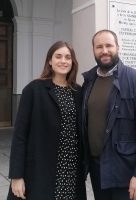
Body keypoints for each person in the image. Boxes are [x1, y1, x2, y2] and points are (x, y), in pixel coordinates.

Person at [81, 30, 136, 200]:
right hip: (97, 169)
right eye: (99, 46)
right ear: (93, 50)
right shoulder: (88, 82)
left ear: (118, 47)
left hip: (125, 170)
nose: (104, 50)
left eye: (109, 45)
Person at [7, 41, 87, 200]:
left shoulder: (78, 92)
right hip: (40, 169)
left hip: (71, 169)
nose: (63, 61)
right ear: (50, 60)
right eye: (58, 56)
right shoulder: (34, 90)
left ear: (72, 62)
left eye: (67, 57)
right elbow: (20, 135)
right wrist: (16, 176)